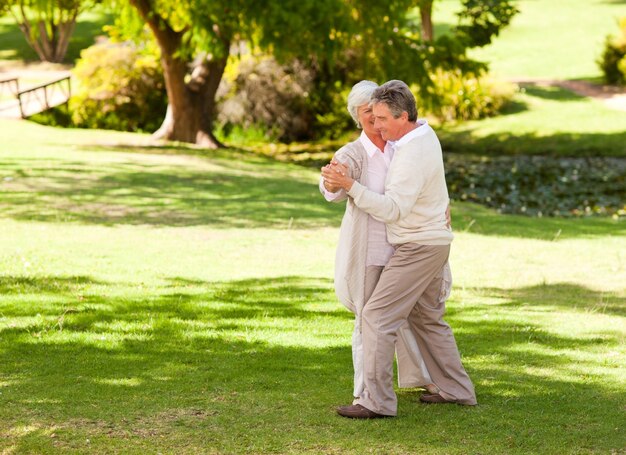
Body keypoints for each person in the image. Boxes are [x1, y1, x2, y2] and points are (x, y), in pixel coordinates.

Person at [323, 80, 477, 419]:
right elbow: (333, 183)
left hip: (418, 247)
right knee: (427, 319)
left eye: (381, 118)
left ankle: (376, 402)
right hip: (428, 243)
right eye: (371, 118)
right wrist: (338, 181)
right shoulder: (422, 134)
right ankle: (457, 389)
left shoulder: (408, 151)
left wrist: (352, 187)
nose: (376, 125)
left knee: (376, 317)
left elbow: (393, 209)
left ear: (402, 115)